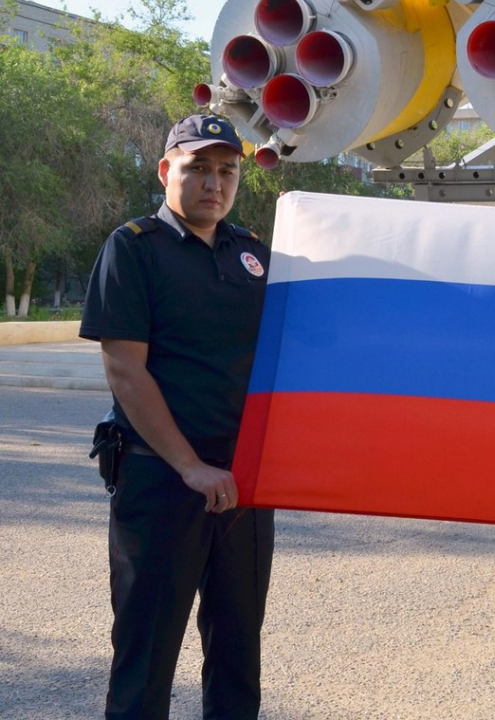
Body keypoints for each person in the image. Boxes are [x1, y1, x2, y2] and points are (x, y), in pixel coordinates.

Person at [80, 114, 274, 720]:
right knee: (146, 660)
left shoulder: (253, 254)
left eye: (227, 171)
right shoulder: (134, 248)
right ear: (167, 171)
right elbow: (126, 371)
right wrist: (190, 466)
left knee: (238, 656)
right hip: (162, 481)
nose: (214, 183)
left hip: (243, 486)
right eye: (198, 168)